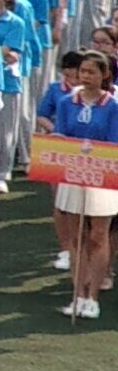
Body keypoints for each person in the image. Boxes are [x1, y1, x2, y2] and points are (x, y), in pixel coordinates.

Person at [42, 50, 118, 319]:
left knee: (98, 235)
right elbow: (61, 133)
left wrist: (90, 152)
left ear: (104, 74)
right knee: (77, 238)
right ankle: (78, 294)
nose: (85, 76)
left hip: (103, 178)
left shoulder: (113, 106)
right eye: (82, 71)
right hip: (73, 175)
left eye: (91, 72)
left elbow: (113, 141)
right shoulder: (66, 102)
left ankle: (93, 297)